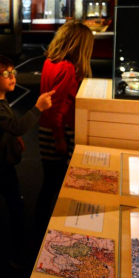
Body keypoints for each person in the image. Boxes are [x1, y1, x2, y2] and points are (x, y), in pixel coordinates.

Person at [0, 56, 53, 268]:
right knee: (14, 207)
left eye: (13, 72)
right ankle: (18, 255)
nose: (12, 77)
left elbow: (7, 128)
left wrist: (14, 138)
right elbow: (16, 126)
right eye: (5, 74)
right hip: (0, 165)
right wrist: (38, 108)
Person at [35, 20, 94, 239]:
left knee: (50, 183)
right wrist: (59, 139)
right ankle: (51, 232)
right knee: (58, 185)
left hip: (47, 128)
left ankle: (40, 230)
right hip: (58, 131)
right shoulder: (67, 68)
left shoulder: (50, 62)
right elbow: (57, 109)